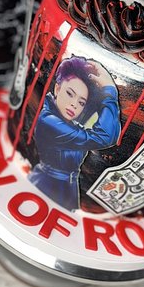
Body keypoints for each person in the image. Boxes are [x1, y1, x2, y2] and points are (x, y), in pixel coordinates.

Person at [28, 56, 121, 211]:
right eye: (70, 94)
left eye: (81, 102)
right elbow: (105, 136)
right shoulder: (50, 122)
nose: (74, 104)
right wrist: (110, 90)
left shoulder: (68, 123)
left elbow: (110, 133)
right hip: (46, 188)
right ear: (57, 89)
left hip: (68, 190)